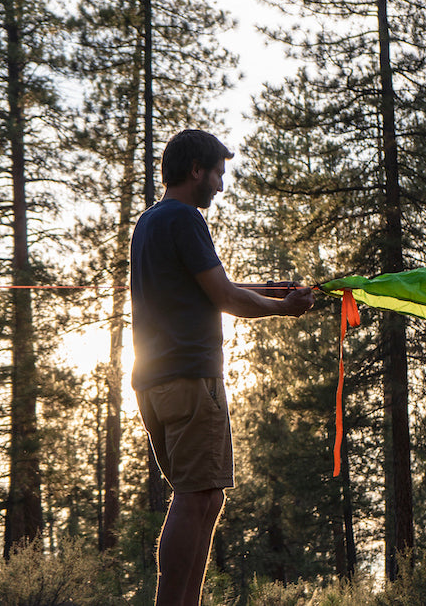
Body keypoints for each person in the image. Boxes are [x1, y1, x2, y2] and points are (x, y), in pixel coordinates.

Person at [130, 129, 315, 606]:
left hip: (157, 384)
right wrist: (284, 310)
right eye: (218, 174)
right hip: (191, 381)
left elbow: (211, 285)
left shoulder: (151, 222)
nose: (220, 184)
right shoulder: (186, 218)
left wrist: (274, 290)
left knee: (206, 497)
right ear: (197, 171)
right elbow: (227, 297)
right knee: (195, 498)